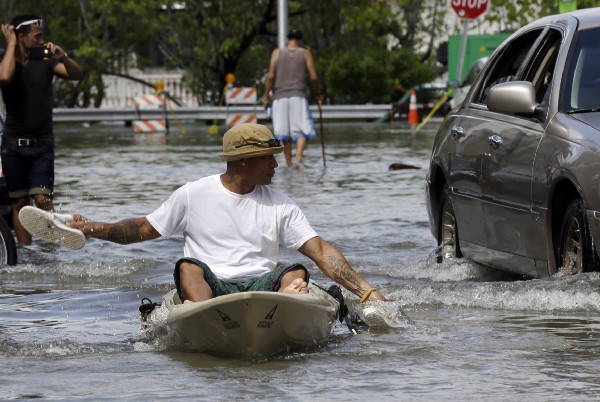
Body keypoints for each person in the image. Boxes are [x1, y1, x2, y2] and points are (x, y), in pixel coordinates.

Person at [67, 123, 385, 304]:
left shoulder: (280, 203)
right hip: (212, 287)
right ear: (243, 161)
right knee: (188, 268)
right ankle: (205, 312)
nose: (276, 165)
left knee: (296, 271)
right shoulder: (192, 194)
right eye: (268, 158)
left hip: (262, 286)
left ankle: (286, 301)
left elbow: (320, 251)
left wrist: (366, 292)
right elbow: (141, 230)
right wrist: (93, 229)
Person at [0, 15, 83, 245]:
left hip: (42, 145)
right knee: (20, 203)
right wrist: (11, 46)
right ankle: (26, 254)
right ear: (21, 37)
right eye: (36, 36)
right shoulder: (4, 59)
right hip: (13, 145)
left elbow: (77, 75)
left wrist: (63, 57)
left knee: (43, 200)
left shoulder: (47, 61)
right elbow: (4, 77)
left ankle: (51, 251)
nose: (41, 40)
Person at [263, 29, 321, 168]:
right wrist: (318, 93)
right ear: (300, 40)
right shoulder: (305, 53)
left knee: (284, 132)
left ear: (288, 39)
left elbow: (271, 76)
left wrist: (266, 96)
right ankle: (298, 159)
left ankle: (289, 164)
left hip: (279, 97)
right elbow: (313, 77)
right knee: (303, 129)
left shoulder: (276, 53)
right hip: (298, 96)